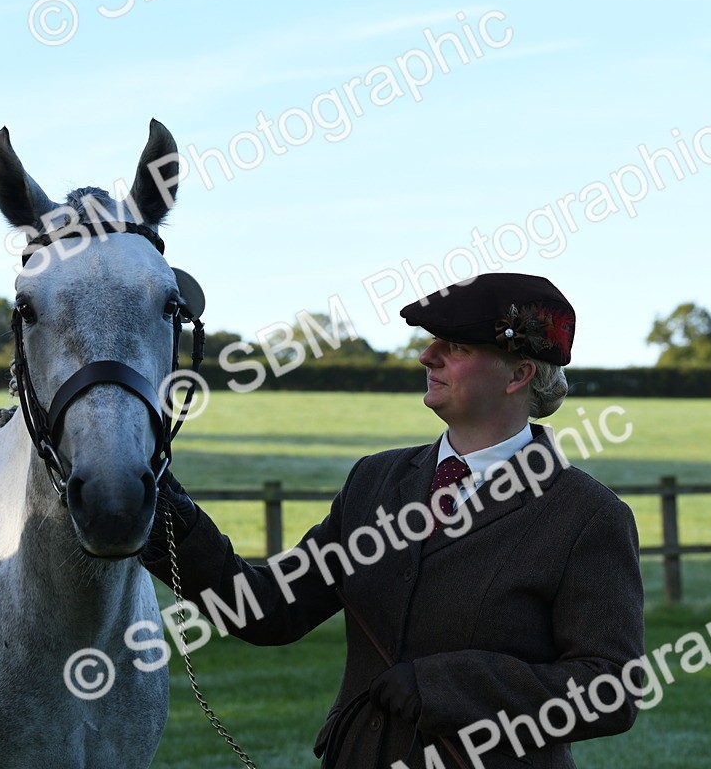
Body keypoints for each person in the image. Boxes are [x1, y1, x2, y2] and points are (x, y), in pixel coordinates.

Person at [143, 273, 645, 769]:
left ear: (518, 375)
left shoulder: (588, 516)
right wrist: (168, 514)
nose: (427, 356)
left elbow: (610, 690)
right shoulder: (374, 481)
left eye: (455, 346)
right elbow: (271, 608)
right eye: (432, 343)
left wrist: (448, 686)